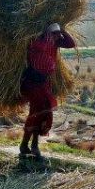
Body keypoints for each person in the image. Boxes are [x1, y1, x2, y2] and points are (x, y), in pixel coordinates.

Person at [20, 23, 75, 159]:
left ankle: (31, 145)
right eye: (55, 34)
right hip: (31, 82)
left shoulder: (55, 43)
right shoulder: (38, 43)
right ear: (48, 34)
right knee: (36, 113)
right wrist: (48, 37)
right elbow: (39, 47)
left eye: (58, 34)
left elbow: (71, 44)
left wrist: (62, 31)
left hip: (44, 83)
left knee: (45, 113)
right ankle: (29, 145)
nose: (58, 36)